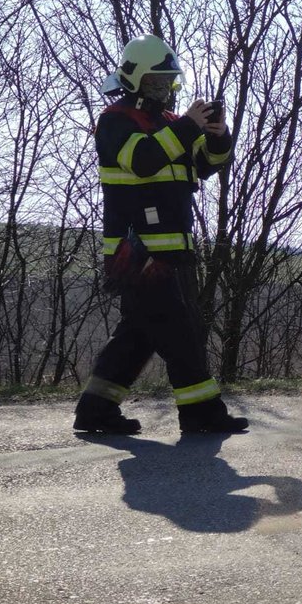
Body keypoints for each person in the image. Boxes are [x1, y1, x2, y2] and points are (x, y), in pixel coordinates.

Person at [73, 34, 248, 435]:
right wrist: (189, 125)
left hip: (171, 252)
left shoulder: (172, 124)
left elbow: (205, 165)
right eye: (156, 81)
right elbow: (144, 159)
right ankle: (201, 413)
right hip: (137, 254)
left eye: (169, 80)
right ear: (134, 80)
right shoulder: (115, 119)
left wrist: (218, 135)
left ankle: (96, 409)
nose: (165, 88)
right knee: (179, 332)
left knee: (136, 336)